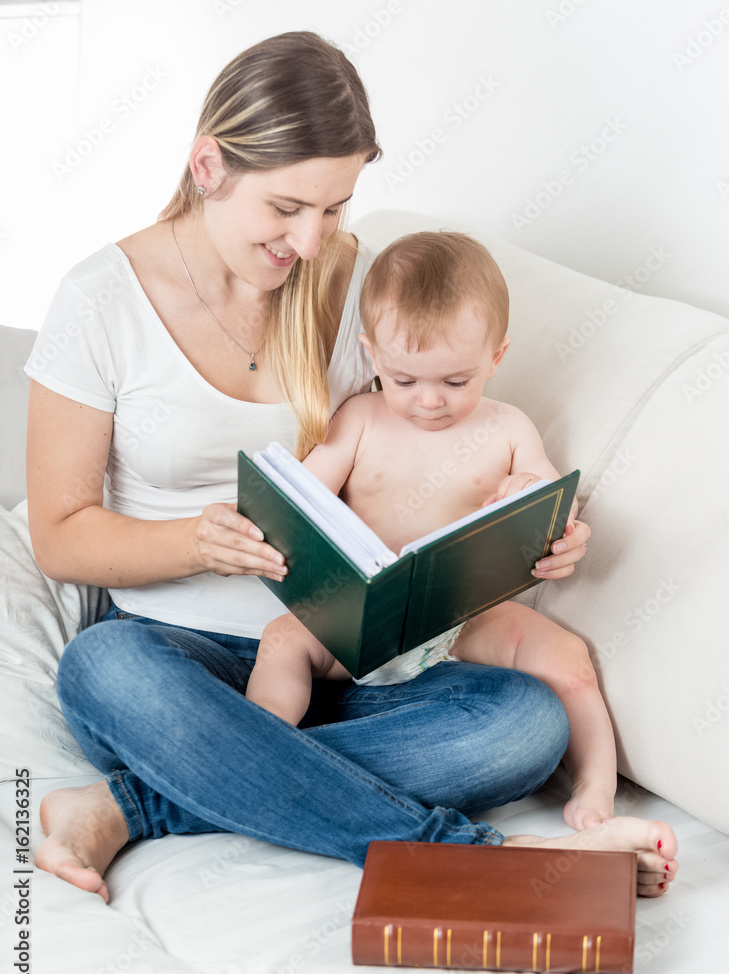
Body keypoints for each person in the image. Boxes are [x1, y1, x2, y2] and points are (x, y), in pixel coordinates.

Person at [25, 31, 677, 905]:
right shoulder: (100, 301)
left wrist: (525, 522)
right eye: (286, 207)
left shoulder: (348, 283)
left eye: (334, 208)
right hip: (176, 659)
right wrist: (200, 544)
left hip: (347, 659)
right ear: (208, 165)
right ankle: (474, 862)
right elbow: (62, 539)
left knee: (522, 727)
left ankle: (131, 803)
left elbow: (425, 432)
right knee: (99, 671)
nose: (310, 238)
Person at [246, 231, 617, 834]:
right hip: (357, 621)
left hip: (463, 621)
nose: (429, 402)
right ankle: (261, 744)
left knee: (566, 657)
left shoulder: (509, 427)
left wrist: (538, 500)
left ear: (496, 358)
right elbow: (302, 501)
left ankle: (596, 793)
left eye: (455, 382)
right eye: (405, 380)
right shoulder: (358, 420)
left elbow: (555, 496)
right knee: (282, 638)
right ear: (371, 356)